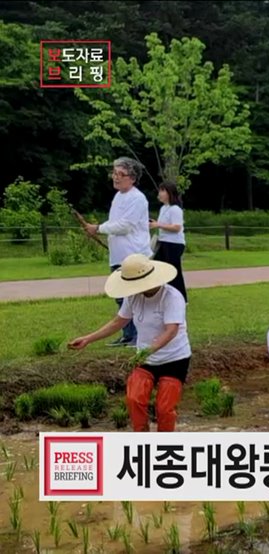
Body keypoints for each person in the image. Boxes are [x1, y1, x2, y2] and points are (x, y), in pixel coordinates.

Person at [68, 254, 189, 432]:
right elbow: (118, 322)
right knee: (134, 399)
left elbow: (171, 331)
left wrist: (148, 350)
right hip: (145, 359)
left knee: (164, 408)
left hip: (174, 359)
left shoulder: (172, 297)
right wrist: (88, 338)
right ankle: (141, 439)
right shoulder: (133, 297)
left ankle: (164, 443)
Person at [84, 157, 153, 347]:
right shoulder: (119, 196)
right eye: (114, 173)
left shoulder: (137, 198)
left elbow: (125, 226)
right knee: (121, 296)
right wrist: (98, 229)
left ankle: (138, 336)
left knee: (135, 296)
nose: (116, 177)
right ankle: (128, 335)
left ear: (132, 178)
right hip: (119, 255)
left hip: (134, 255)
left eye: (121, 174)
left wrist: (98, 228)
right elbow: (115, 223)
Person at [150, 180, 187, 302]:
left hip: (174, 244)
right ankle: (163, 294)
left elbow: (177, 227)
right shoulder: (163, 208)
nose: (159, 194)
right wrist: (155, 224)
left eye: (162, 191)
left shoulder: (175, 209)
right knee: (159, 268)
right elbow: (163, 224)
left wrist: (158, 224)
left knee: (174, 271)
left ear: (170, 193)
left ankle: (181, 298)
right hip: (163, 242)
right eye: (159, 191)